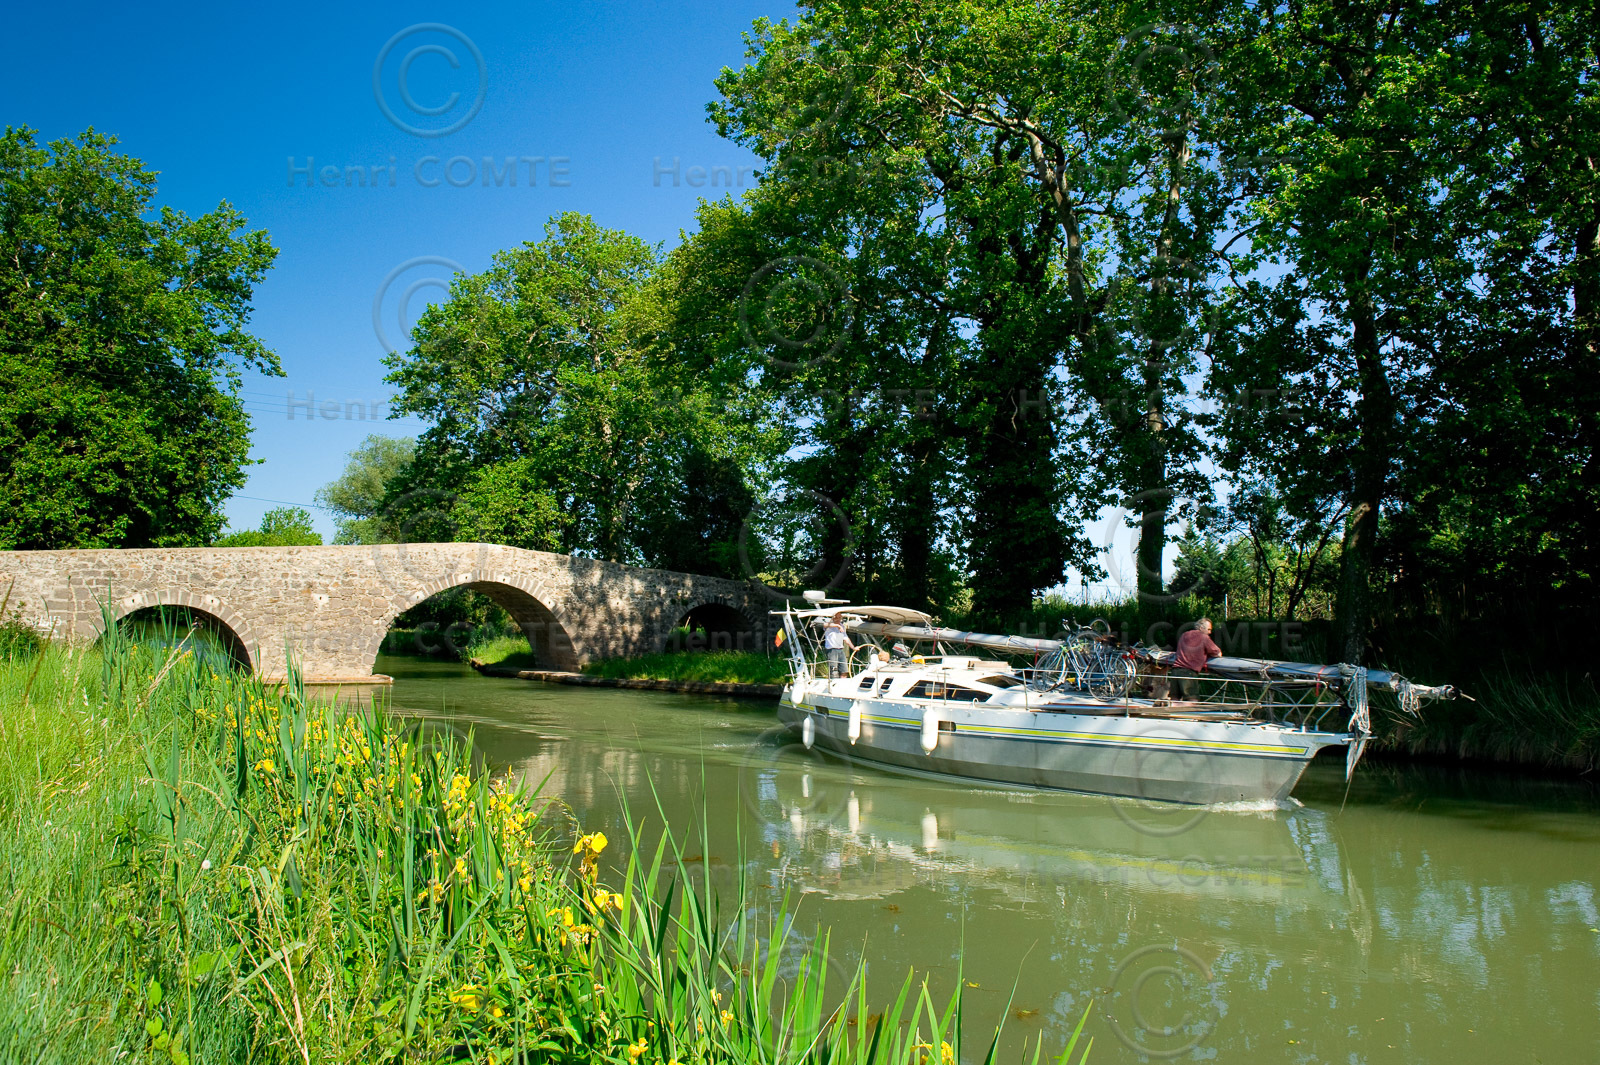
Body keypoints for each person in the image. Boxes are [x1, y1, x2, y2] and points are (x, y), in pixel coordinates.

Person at [1171, 618, 1222, 700]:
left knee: (1174, 699)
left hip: (1175, 670)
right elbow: (1217, 652)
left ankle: (1165, 706)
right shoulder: (1204, 637)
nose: (1210, 632)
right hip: (1188, 673)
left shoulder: (1184, 635)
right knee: (1192, 700)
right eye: (1209, 629)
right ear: (1201, 628)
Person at [822, 612, 856, 679]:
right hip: (832, 650)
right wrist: (837, 626)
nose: (838, 619)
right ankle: (833, 685)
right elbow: (824, 625)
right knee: (834, 671)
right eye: (836, 617)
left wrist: (853, 647)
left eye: (839, 618)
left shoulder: (842, 626)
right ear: (833, 618)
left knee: (844, 670)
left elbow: (845, 638)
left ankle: (842, 685)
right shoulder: (829, 625)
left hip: (840, 650)